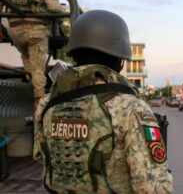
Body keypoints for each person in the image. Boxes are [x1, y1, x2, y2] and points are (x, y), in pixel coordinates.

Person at [33, 10, 173, 193]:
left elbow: (40, 156)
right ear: (120, 59)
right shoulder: (130, 107)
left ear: (75, 54)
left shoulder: (47, 103)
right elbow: (152, 187)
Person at [0, 0, 63, 104]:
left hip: (16, 31)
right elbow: (54, 7)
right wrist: (60, 8)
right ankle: (39, 102)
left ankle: (30, 90)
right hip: (36, 30)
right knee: (38, 68)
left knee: (27, 59)